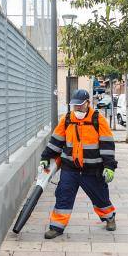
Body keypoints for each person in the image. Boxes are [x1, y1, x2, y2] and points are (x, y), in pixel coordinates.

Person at [40, 89, 117, 239]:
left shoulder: (98, 119)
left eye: (80, 106)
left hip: (92, 170)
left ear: (88, 103)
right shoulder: (67, 119)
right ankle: (56, 227)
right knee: (63, 195)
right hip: (70, 168)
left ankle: (109, 217)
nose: (77, 109)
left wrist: (109, 167)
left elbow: (107, 145)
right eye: (75, 106)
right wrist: (45, 157)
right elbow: (56, 140)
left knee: (100, 197)